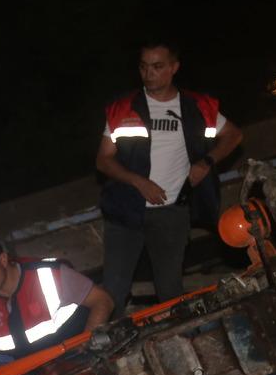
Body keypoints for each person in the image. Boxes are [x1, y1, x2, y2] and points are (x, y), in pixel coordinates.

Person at [96, 39, 243, 314]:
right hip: (126, 211)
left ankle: (180, 342)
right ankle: (112, 351)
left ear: (174, 68)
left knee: (170, 290)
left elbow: (234, 135)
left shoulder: (197, 106)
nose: (149, 73)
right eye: (143, 67)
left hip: (171, 213)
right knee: (114, 289)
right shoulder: (123, 109)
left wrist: (206, 161)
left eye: (157, 66)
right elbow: (103, 160)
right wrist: (139, 182)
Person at [0, 236, 115, 365]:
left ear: (3, 260)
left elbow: (103, 301)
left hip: (72, 357)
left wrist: (87, 348)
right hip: (28, 374)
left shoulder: (48, 275)